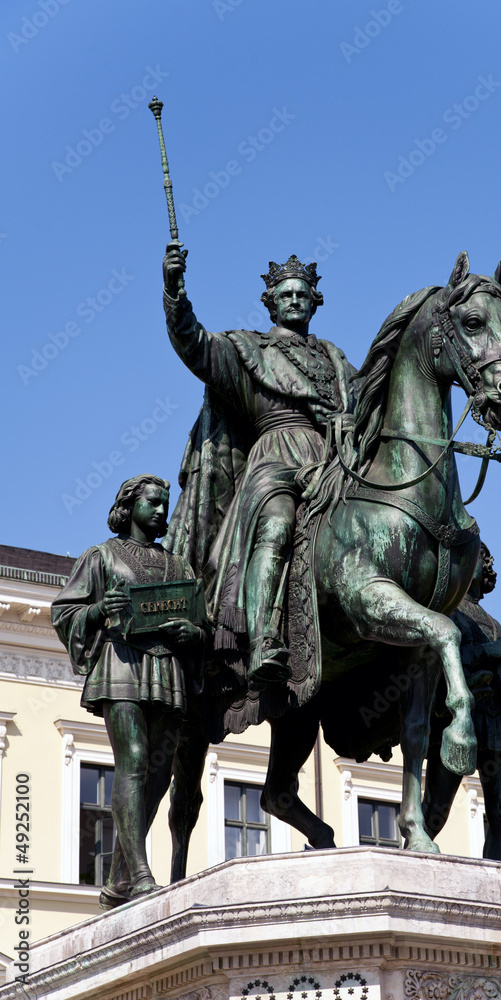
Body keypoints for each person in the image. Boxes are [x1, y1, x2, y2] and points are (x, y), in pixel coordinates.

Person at [162, 247, 357, 711]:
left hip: (333, 460)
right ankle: (264, 639)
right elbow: (195, 345)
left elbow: (370, 401)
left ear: (315, 301)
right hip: (277, 459)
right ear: (271, 303)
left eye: (302, 294)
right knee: (277, 524)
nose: (294, 301)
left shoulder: (335, 360)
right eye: (285, 294)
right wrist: (175, 291)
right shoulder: (248, 350)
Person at [51, 474, 208, 907]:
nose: (162, 511)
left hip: (167, 667)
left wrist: (192, 632)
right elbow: (65, 612)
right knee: (134, 760)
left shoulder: (180, 567)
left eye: (165, 504)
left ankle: (119, 878)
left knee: (158, 776)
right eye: (153, 503)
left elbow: (203, 627)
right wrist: (100, 610)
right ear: (130, 506)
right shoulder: (101, 556)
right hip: (121, 663)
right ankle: (139, 873)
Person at [423, 543, 501, 861]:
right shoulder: (446, 611)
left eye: (477, 559)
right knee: (436, 809)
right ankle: (412, 863)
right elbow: (435, 663)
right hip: (459, 718)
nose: (471, 564)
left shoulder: (494, 624)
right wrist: (484, 653)